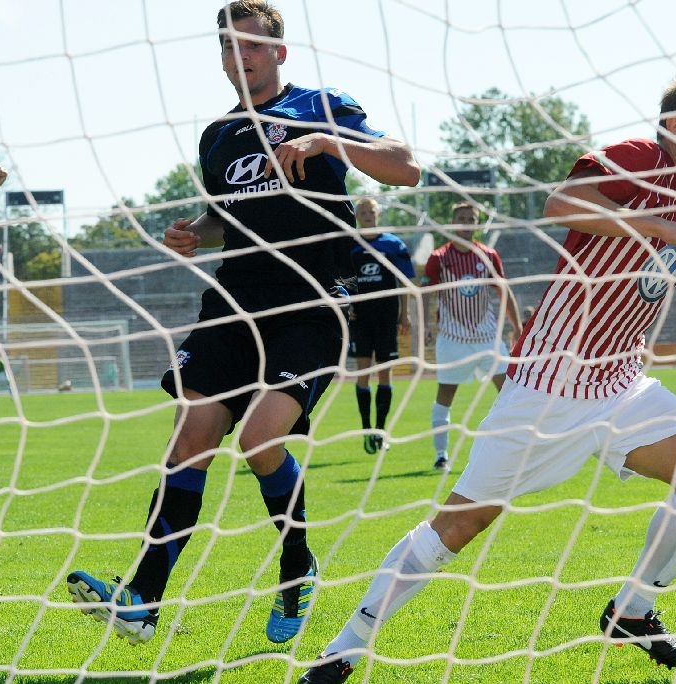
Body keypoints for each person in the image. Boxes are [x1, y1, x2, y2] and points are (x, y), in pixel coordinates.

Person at [297, 70, 676, 683]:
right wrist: (664, 227)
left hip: (622, 385)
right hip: (545, 387)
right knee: (459, 525)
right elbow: (562, 205)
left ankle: (632, 612)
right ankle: (346, 646)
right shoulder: (639, 159)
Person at [65, 0, 419, 646]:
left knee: (260, 441)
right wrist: (191, 234)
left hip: (309, 303)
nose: (240, 58)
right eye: (229, 48)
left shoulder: (322, 103)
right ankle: (143, 598)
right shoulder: (218, 136)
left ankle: (296, 566)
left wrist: (325, 141)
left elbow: (405, 165)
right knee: (192, 436)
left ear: (278, 52)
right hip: (233, 303)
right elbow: (221, 216)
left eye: (251, 46)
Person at [422, 202, 522, 471]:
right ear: (453, 223)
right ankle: (441, 454)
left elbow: (503, 291)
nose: (466, 223)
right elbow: (426, 293)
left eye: (472, 219)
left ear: (477, 224)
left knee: (510, 392)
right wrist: (426, 326)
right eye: (462, 218)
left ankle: (510, 449)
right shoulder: (439, 258)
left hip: (488, 338)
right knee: (445, 394)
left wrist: (516, 326)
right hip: (453, 340)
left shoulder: (488, 254)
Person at [348, 197, 415, 454]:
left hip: (387, 317)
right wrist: (347, 306)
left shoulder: (392, 244)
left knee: (385, 373)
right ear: (356, 216)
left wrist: (405, 314)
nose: (367, 215)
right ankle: (367, 430)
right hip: (361, 319)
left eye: (371, 211)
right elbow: (342, 281)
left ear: (378, 214)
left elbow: (405, 281)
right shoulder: (350, 244)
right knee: (363, 372)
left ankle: (381, 431)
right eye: (362, 211)